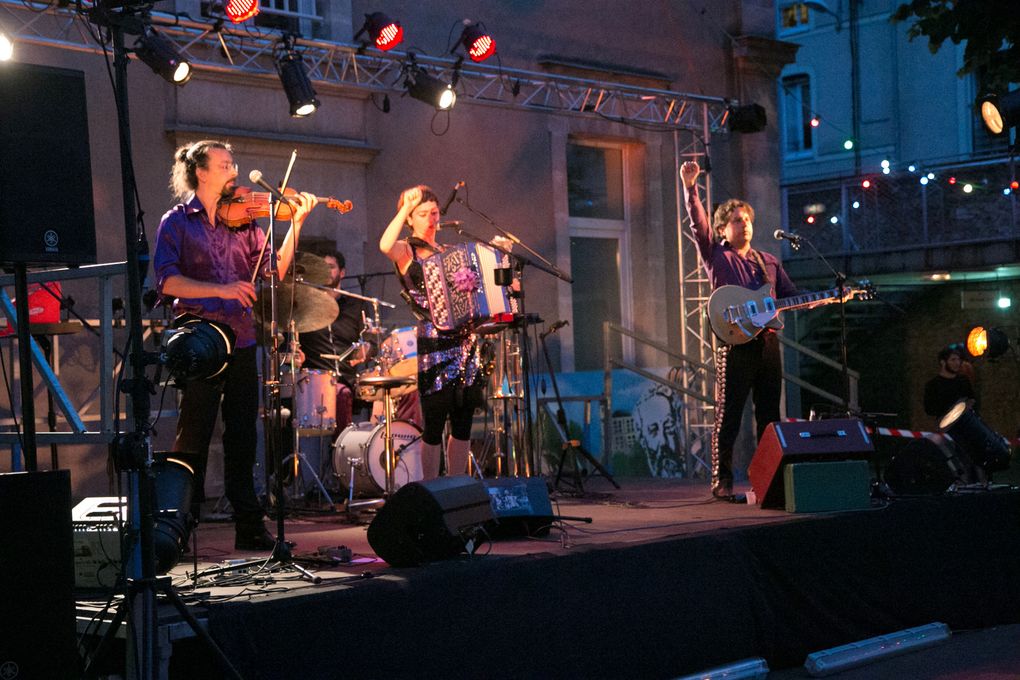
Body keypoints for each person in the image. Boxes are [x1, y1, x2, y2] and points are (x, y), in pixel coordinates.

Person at [154, 139, 318, 550]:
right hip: (201, 340)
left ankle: (249, 526)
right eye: (226, 165)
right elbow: (167, 281)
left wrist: (295, 224)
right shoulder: (176, 221)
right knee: (193, 435)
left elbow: (272, 272)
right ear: (201, 172)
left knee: (243, 435)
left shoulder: (246, 223)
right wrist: (224, 290)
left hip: (242, 339)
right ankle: (179, 525)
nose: (235, 172)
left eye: (234, 164)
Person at [681, 160, 808, 500]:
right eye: (737, 221)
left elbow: (790, 296)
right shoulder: (716, 256)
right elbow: (697, 224)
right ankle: (722, 481)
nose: (745, 225)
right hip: (734, 345)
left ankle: (770, 480)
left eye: (748, 220)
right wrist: (690, 187)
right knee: (730, 415)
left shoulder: (768, 261)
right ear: (723, 229)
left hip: (767, 345)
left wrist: (816, 300)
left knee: (769, 416)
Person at [379, 185, 486, 479]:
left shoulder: (451, 251)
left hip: (465, 341)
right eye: (423, 214)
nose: (430, 219)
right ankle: (431, 489)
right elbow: (384, 245)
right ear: (411, 219)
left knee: (462, 421)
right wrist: (404, 207)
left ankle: (457, 484)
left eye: (435, 213)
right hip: (434, 340)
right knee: (435, 421)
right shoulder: (406, 250)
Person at [298, 249, 370, 431]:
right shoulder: (305, 307)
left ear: (342, 273)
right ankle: (340, 454)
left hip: (350, 379)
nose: (326, 272)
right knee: (340, 394)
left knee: (397, 390)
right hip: (315, 383)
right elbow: (288, 344)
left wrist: (367, 349)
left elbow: (372, 339)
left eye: (330, 267)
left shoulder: (356, 304)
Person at [632, 385, 687, 478]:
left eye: (668, 427)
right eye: (653, 430)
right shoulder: (637, 478)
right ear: (642, 438)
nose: (663, 441)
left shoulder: (699, 464)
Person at [923, 345, 976, 424]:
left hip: (967, 423)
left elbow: (972, 400)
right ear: (943, 362)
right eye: (953, 360)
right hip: (946, 426)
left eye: (958, 360)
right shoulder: (933, 385)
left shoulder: (963, 381)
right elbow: (929, 409)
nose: (957, 363)